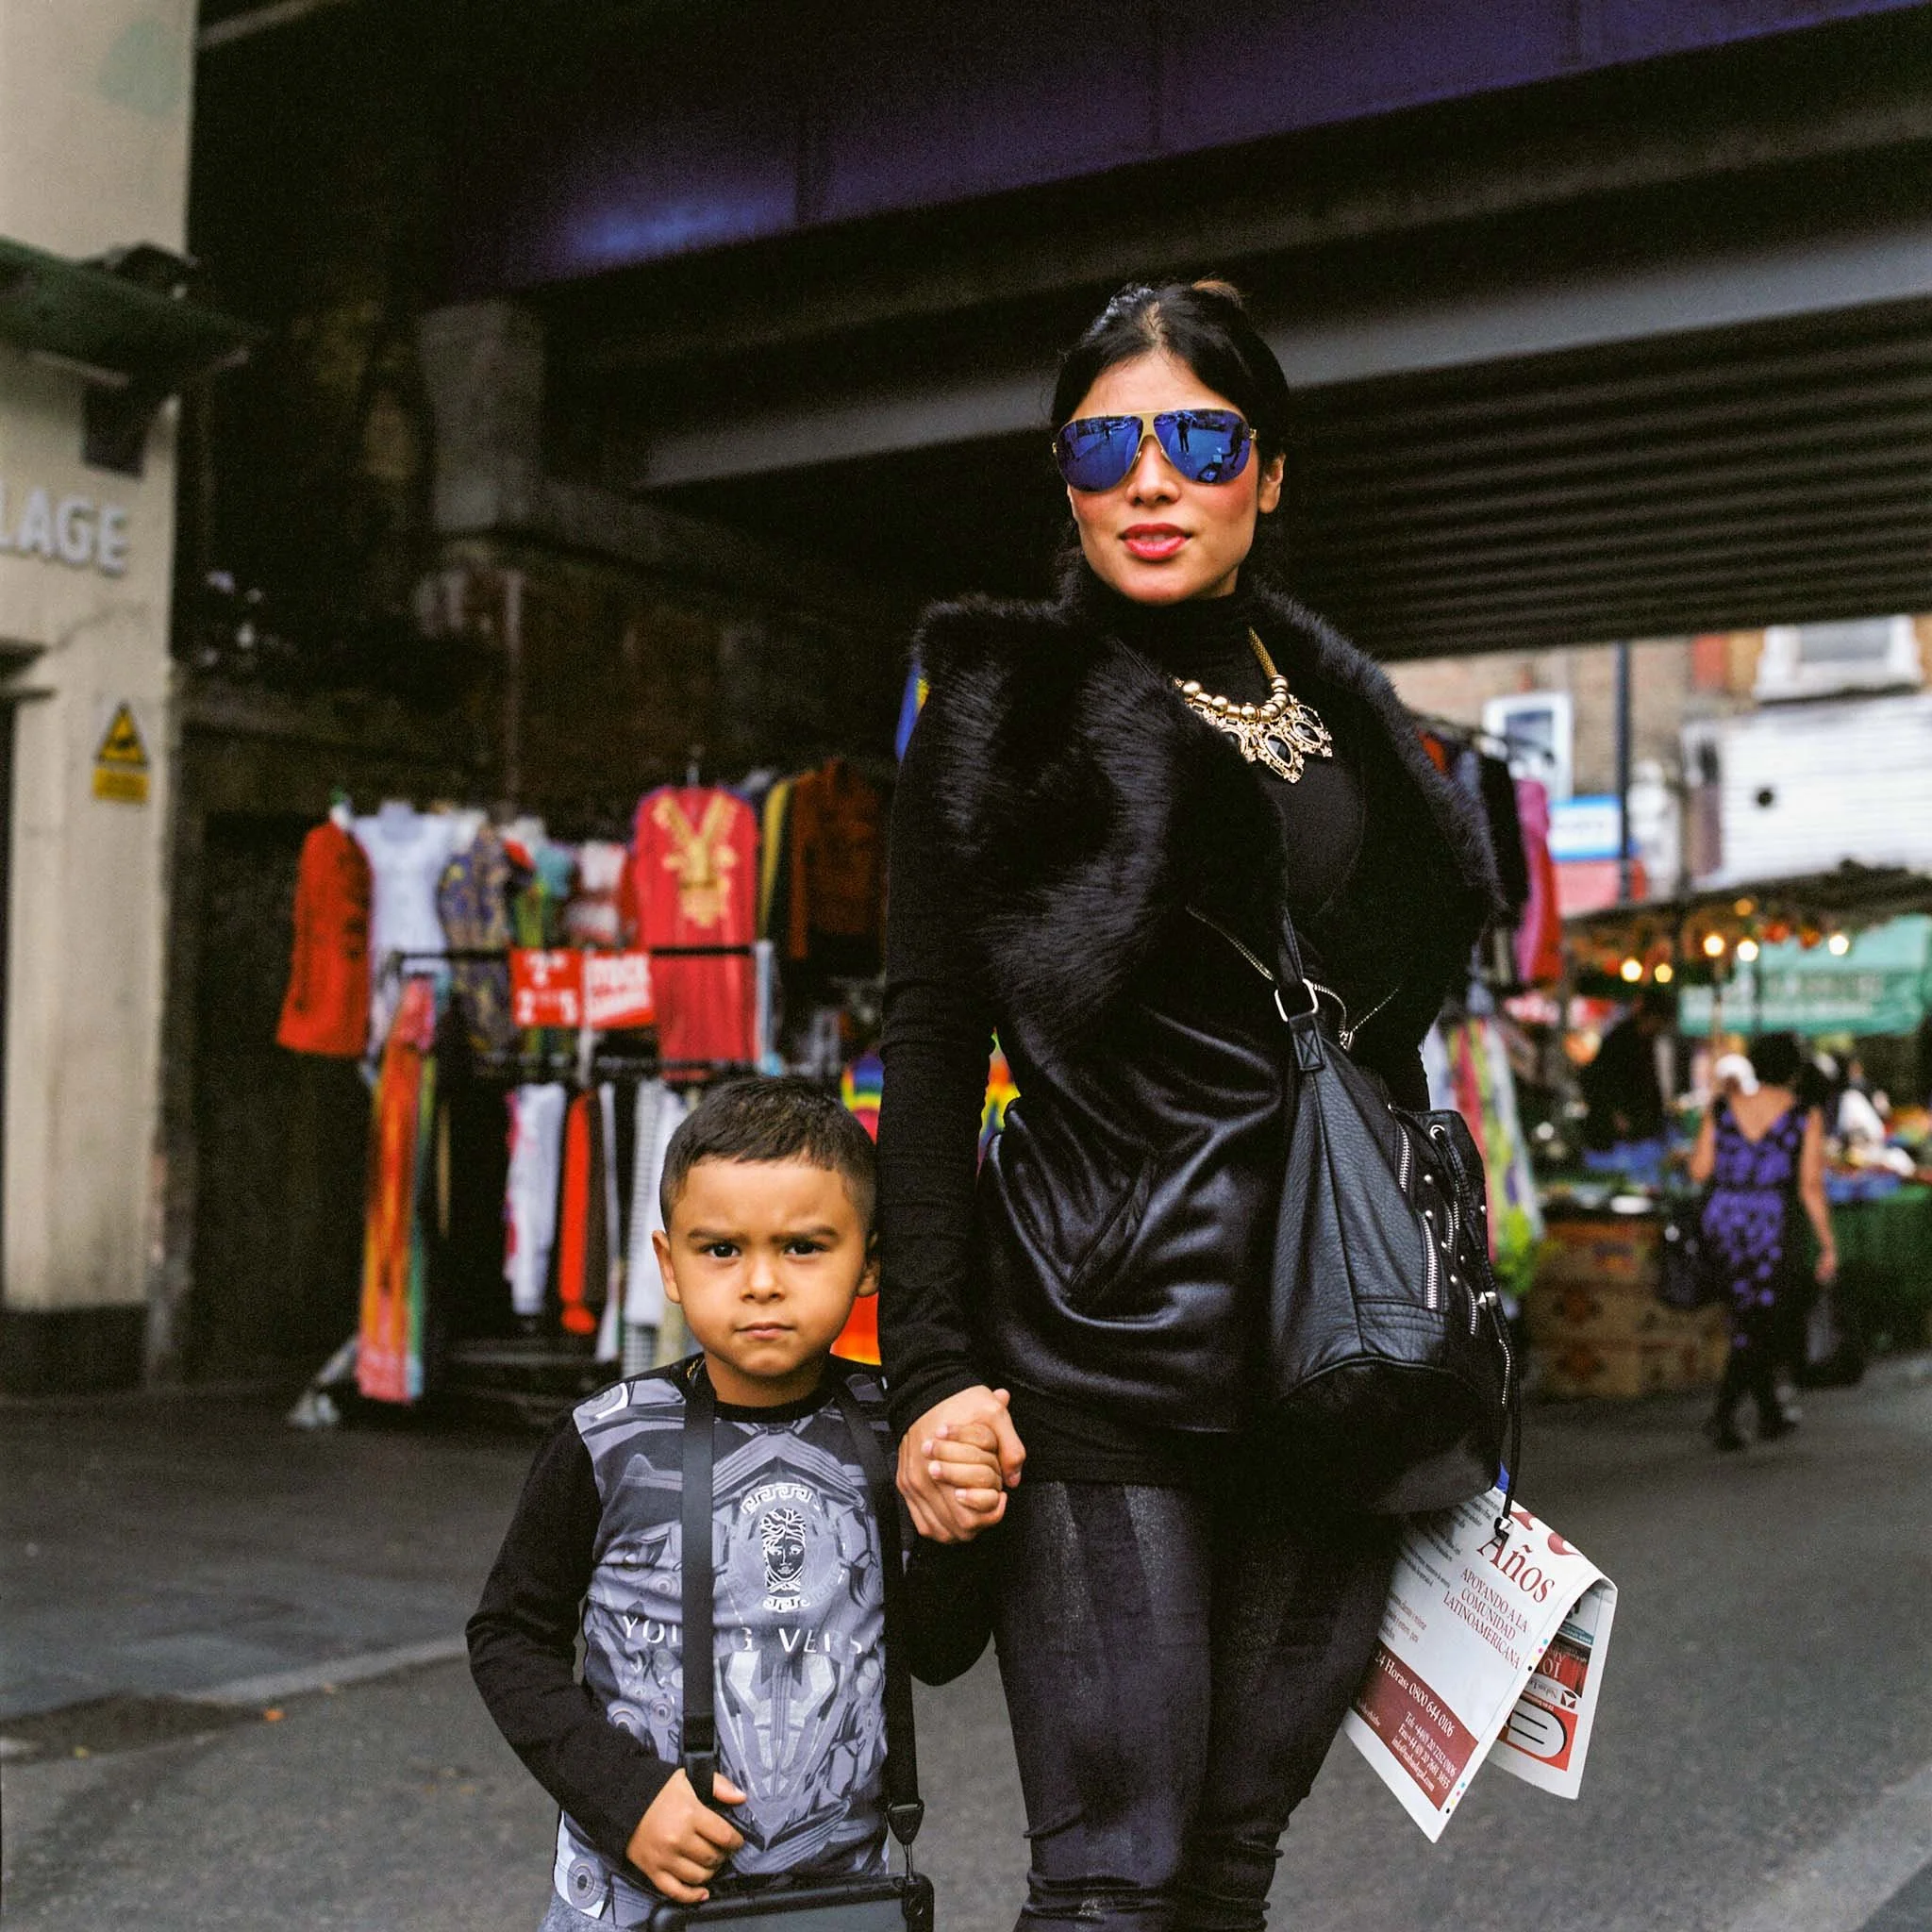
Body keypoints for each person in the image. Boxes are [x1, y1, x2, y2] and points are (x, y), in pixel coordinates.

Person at [877, 280, 1498, 1930]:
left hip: (1342, 1363)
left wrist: (1448, 1298)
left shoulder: (1362, 734)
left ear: (1268, 473)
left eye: (1198, 436)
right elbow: (930, 1047)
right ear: (1066, 480)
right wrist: (929, 1370)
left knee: (1227, 1862)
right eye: (1106, 442)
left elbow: (1383, 1064)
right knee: (1116, 1872)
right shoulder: (1001, 713)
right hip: (1096, 1351)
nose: (1150, 478)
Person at [469, 1077, 998, 1929]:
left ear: (869, 1262)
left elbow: (938, 1651)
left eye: (803, 1247)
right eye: (720, 1249)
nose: (760, 1282)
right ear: (667, 1262)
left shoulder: (901, 1434)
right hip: (630, 1902)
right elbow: (508, 1639)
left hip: (835, 1900)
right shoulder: (605, 1441)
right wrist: (626, 1799)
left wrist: (959, 1530)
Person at [1690, 1032, 1838, 1451]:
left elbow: (1700, 1170)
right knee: (1758, 1319)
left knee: (1748, 1317)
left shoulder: (1721, 1109)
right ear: (1793, 1070)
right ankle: (1723, 1416)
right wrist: (1827, 1243)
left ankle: (1768, 1412)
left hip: (1723, 1218)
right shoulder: (1803, 1116)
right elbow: (1811, 1186)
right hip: (1769, 1222)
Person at [1580, 989, 1674, 1174]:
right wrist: (1614, 1113)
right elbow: (1595, 1080)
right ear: (1652, 1017)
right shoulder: (1620, 1040)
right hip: (1614, 1138)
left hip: (1639, 1133)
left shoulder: (1646, 1042)